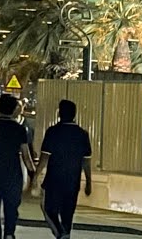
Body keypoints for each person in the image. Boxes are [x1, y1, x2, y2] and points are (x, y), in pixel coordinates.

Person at [0, 94, 37, 239]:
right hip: (13, 174)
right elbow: (26, 156)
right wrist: (32, 174)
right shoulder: (19, 130)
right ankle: (9, 233)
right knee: (12, 206)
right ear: (13, 110)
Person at [38, 100, 93, 239]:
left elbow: (44, 157)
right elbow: (86, 161)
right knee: (67, 214)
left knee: (49, 209)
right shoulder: (82, 134)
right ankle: (65, 234)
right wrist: (88, 182)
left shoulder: (53, 132)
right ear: (74, 115)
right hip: (73, 181)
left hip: (54, 180)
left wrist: (35, 176)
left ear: (59, 113)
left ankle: (60, 233)